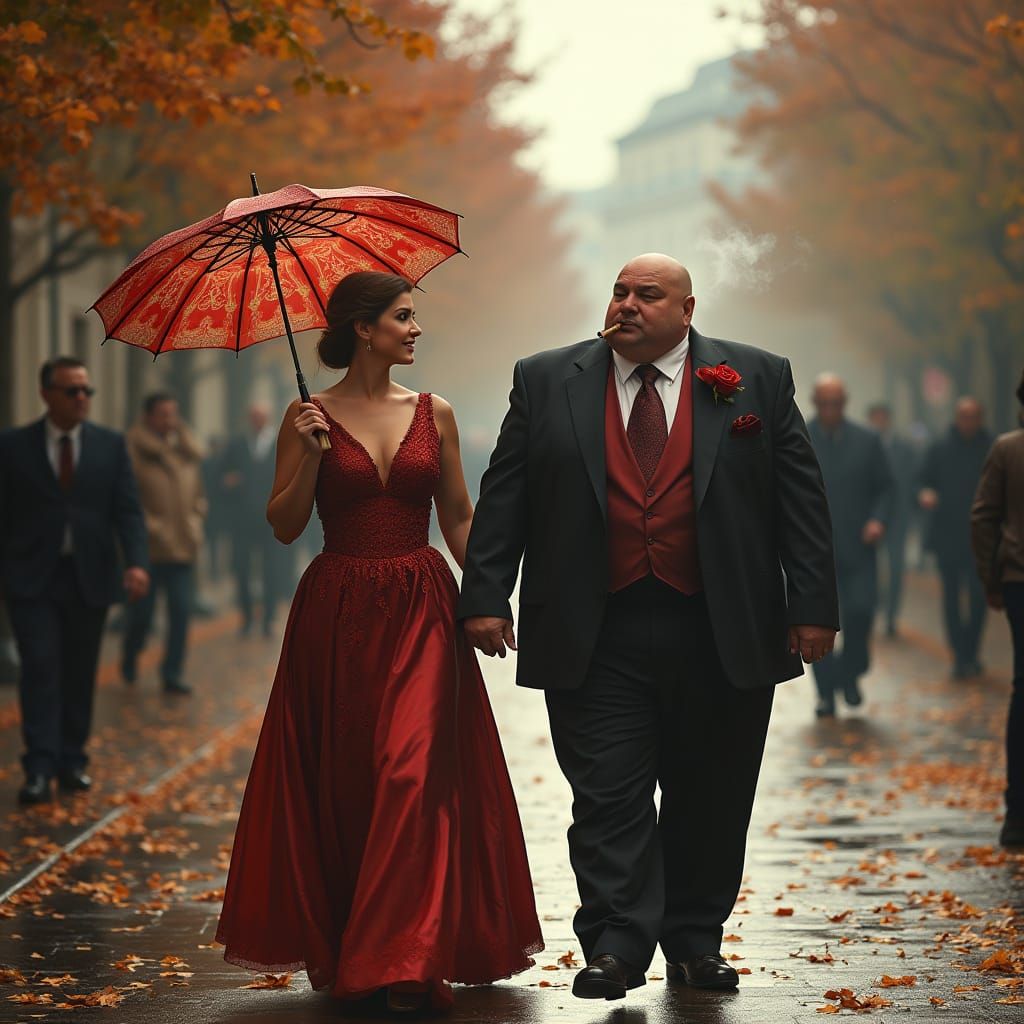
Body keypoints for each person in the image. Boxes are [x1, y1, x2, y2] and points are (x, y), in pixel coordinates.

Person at [459, 254, 838, 1000]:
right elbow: (506, 494)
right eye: (620, 291)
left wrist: (813, 608)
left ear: (687, 310)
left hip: (722, 626)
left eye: (648, 294)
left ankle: (696, 944)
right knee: (607, 795)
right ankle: (616, 944)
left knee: (712, 794)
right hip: (592, 629)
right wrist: (486, 592)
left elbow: (800, 501)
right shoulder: (545, 379)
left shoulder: (757, 377)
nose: (627, 304)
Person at [215, 272, 542, 1012]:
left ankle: (403, 960)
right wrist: (304, 455)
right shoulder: (307, 416)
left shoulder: (438, 412)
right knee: (351, 784)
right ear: (363, 330)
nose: (416, 329)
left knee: (411, 774)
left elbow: (458, 516)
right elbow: (284, 525)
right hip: (336, 611)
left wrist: (488, 595)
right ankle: (364, 943)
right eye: (402, 317)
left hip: (424, 606)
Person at [0, 357, 149, 804]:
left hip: (91, 576)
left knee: (80, 672)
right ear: (46, 395)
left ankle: (72, 761)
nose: (82, 398)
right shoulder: (13, 447)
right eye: (72, 391)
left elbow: (128, 510)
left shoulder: (109, 445)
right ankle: (39, 766)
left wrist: (136, 563)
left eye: (86, 391)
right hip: (32, 578)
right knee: (40, 666)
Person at [806, 375, 892, 717]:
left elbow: (886, 487)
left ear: (846, 403)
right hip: (812, 551)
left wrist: (878, 520)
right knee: (814, 623)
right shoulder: (800, 436)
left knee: (860, 613)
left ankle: (852, 672)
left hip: (859, 547)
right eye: (824, 403)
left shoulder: (868, 441)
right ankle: (825, 693)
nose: (830, 410)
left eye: (836, 403)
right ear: (814, 402)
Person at [121, 393, 207, 695]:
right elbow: (127, 497)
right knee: (142, 616)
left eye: (174, 414)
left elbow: (197, 490)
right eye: (163, 414)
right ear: (148, 417)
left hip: (182, 546)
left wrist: (198, 516)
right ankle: (130, 654)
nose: (169, 421)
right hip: (149, 548)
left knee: (181, 611)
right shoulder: (133, 449)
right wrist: (149, 526)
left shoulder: (185, 450)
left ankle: (172, 672)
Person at [970, 370, 1024, 847]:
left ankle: (1017, 812)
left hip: (1017, 580)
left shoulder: (1008, 448)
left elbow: (984, 516)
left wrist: (991, 579)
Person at [919, 397, 994, 679]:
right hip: (947, 534)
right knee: (950, 597)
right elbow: (922, 479)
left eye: (973, 416)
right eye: (963, 416)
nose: (968, 422)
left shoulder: (992, 448)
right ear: (956, 418)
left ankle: (971, 651)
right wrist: (924, 494)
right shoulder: (940, 448)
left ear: (981, 418)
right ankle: (960, 656)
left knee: (978, 597)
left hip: (982, 537)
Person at [221, 403, 289, 637]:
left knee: (272, 570)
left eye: (260, 417)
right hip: (242, 520)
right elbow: (223, 476)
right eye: (253, 417)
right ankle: (247, 618)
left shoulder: (280, 443)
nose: (257, 422)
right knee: (242, 570)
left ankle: (268, 618)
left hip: (271, 518)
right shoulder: (237, 444)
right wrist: (229, 483)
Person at [867, 402, 918, 636]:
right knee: (870, 568)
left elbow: (912, 482)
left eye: (882, 418)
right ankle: (871, 610)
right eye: (875, 418)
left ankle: (891, 616)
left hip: (898, 518)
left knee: (896, 569)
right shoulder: (863, 445)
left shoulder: (904, 449)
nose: (879, 423)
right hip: (869, 519)